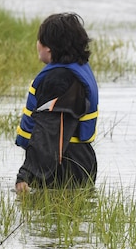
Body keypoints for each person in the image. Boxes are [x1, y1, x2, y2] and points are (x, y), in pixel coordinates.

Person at [14, 12, 99, 193]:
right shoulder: (76, 71)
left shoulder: (58, 80)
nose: (37, 45)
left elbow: (51, 132)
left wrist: (27, 174)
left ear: (49, 49)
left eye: (39, 40)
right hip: (81, 161)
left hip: (61, 166)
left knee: (46, 218)